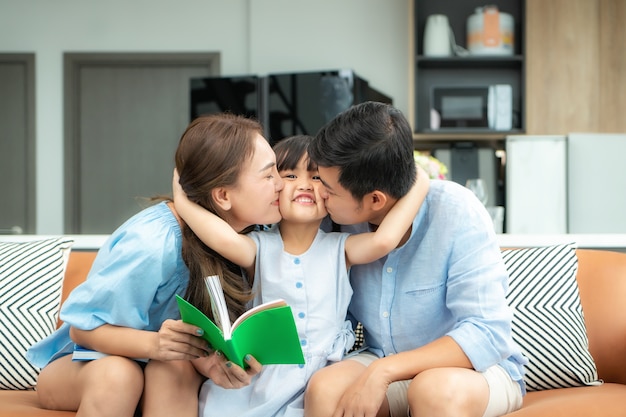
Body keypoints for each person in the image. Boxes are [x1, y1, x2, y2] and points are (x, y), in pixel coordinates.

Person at [26, 113, 282, 417]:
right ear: (223, 196)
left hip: (164, 365)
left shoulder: (251, 239)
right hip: (87, 364)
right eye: (269, 176)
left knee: (174, 367)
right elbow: (82, 330)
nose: (282, 184)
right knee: (119, 376)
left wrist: (213, 362)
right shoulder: (151, 242)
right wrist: (155, 344)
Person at [172, 134, 429, 417]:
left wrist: (419, 179)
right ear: (273, 190)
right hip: (265, 382)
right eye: (290, 175)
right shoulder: (259, 248)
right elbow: (218, 236)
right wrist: (182, 197)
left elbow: (384, 240)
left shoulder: (340, 248)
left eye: (316, 177)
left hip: (325, 378)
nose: (305, 184)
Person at [304, 101, 528, 417]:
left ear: (375, 200)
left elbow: (486, 333)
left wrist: (384, 371)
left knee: (433, 391)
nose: (318, 193)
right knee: (325, 390)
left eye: (327, 189)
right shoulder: (336, 219)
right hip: (381, 356)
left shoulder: (457, 211)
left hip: (472, 371)